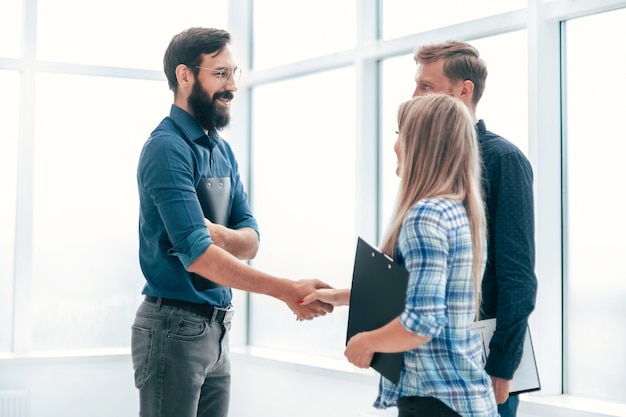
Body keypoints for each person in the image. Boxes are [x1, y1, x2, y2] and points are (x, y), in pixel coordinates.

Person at [131, 27, 333, 417]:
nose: (232, 86)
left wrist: (221, 234)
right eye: (220, 73)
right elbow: (199, 257)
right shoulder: (166, 149)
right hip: (174, 326)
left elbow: (252, 238)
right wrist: (286, 289)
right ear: (184, 75)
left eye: (233, 73)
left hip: (217, 328)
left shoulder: (221, 150)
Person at [303, 93, 498, 417]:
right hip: (464, 397)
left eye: (401, 135)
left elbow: (423, 321)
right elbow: (423, 294)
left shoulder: (425, 217)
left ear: (422, 145)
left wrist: (367, 343)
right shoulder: (457, 212)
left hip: (437, 401)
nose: (395, 146)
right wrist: (338, 297)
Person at [410, 40, 538, 417]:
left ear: (464, 90)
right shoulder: (431, 163)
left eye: (426, 86)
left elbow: (518, 276)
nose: (415, 95)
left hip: (482, 364)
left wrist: (502, 367)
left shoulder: (503, 161)